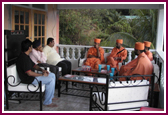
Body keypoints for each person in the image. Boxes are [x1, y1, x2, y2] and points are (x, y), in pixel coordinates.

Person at [16, 39, 57, 107]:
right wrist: (41, 75)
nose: (32, 48)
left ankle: (51, 96)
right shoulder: (23, 58)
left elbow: (34, 66)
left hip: (32, 77)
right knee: (50, 80)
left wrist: (42, 70)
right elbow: (29, 73)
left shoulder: (26, 56)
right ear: (29, 48)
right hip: (29, 79)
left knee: (52, 75)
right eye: (31, 47)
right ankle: (47, 102)